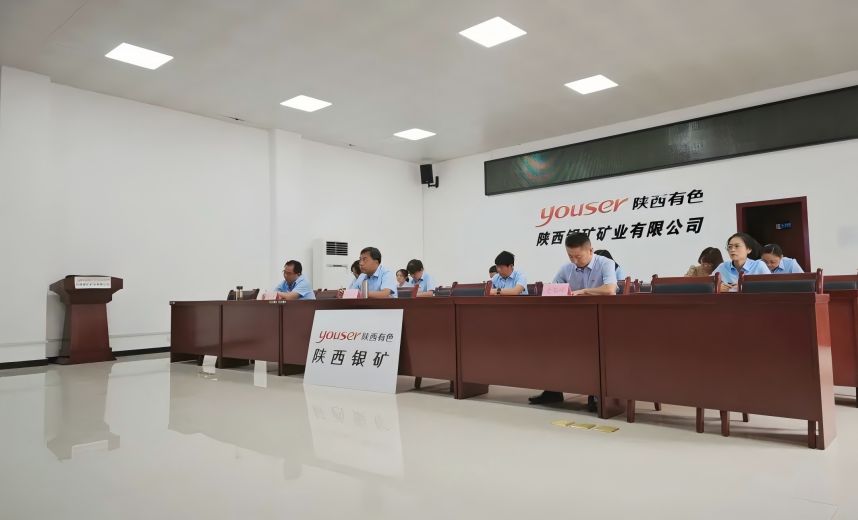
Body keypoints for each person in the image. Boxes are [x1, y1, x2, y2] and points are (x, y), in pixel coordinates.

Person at [529, 233, 618, 409]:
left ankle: (596, 394)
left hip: (601, 321)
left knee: (593, 351)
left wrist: (583, 291)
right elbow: (552, 289)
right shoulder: (566, 268)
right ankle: (553, 390)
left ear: (590, 250)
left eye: (578, 256)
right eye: (570, 256)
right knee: (551, 344)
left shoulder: (605, 263)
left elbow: (610, 289)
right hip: (572, 320)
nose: (574, 261)